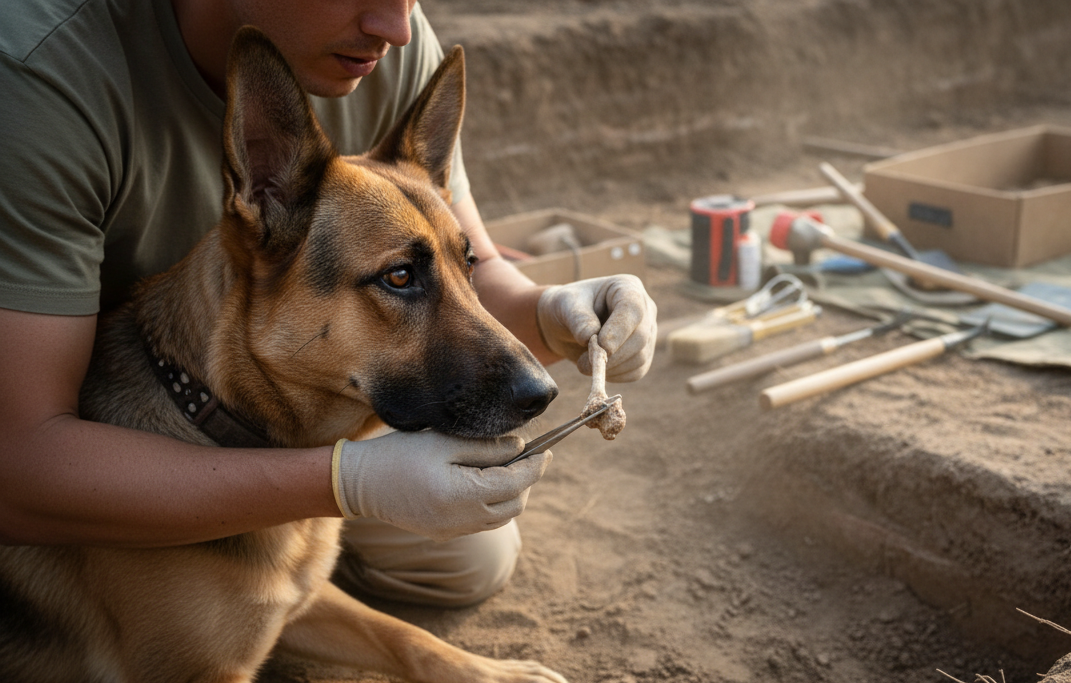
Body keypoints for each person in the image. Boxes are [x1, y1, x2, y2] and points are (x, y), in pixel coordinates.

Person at [0, 0, 656, 606]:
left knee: (466, 559)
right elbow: (18, 468)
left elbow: (462, 275)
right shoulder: (40, 80)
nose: (397, 27)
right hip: (116, 429)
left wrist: (559, 313)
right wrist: (349, 481)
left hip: (304, 399)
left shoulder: (377, 41)